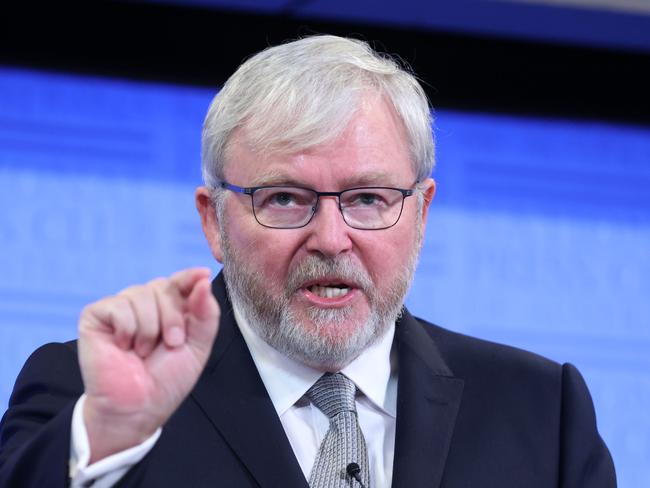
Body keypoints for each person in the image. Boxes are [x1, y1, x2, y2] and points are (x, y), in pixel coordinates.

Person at [0, 35, 615, 488]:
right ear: (213, 221)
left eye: (368, 199)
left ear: (421, 215)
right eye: (285, 198)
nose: (331, 238)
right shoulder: (95, 395)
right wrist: (108, 432)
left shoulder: (541, 411)